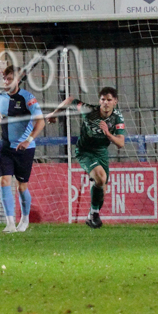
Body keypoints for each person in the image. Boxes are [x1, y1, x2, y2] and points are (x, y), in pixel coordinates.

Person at [48, 87, 125, 229]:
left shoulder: (117, 117)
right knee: (101, 178)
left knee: (102, 190)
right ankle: (94, 213)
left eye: (109, 100)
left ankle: (91, 215)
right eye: (103, 99)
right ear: (99, 101)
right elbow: (70, 100)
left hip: (101, 152)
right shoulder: (89, 110)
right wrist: (54, 114)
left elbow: (120, 143)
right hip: (85, 151)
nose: (106, 103)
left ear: (115, 101)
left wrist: (108, 134)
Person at [0, 65, 44, 233]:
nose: (6, 82)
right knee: (3, 181)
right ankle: (10, 223)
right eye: (5, 79)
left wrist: (28, 140)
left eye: (10, 79)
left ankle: (24, 219)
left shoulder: (28, 98)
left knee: (22, 186)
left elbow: (41, 122)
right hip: (6, 147)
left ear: (17, 80)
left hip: (25, 149)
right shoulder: (1, 97)